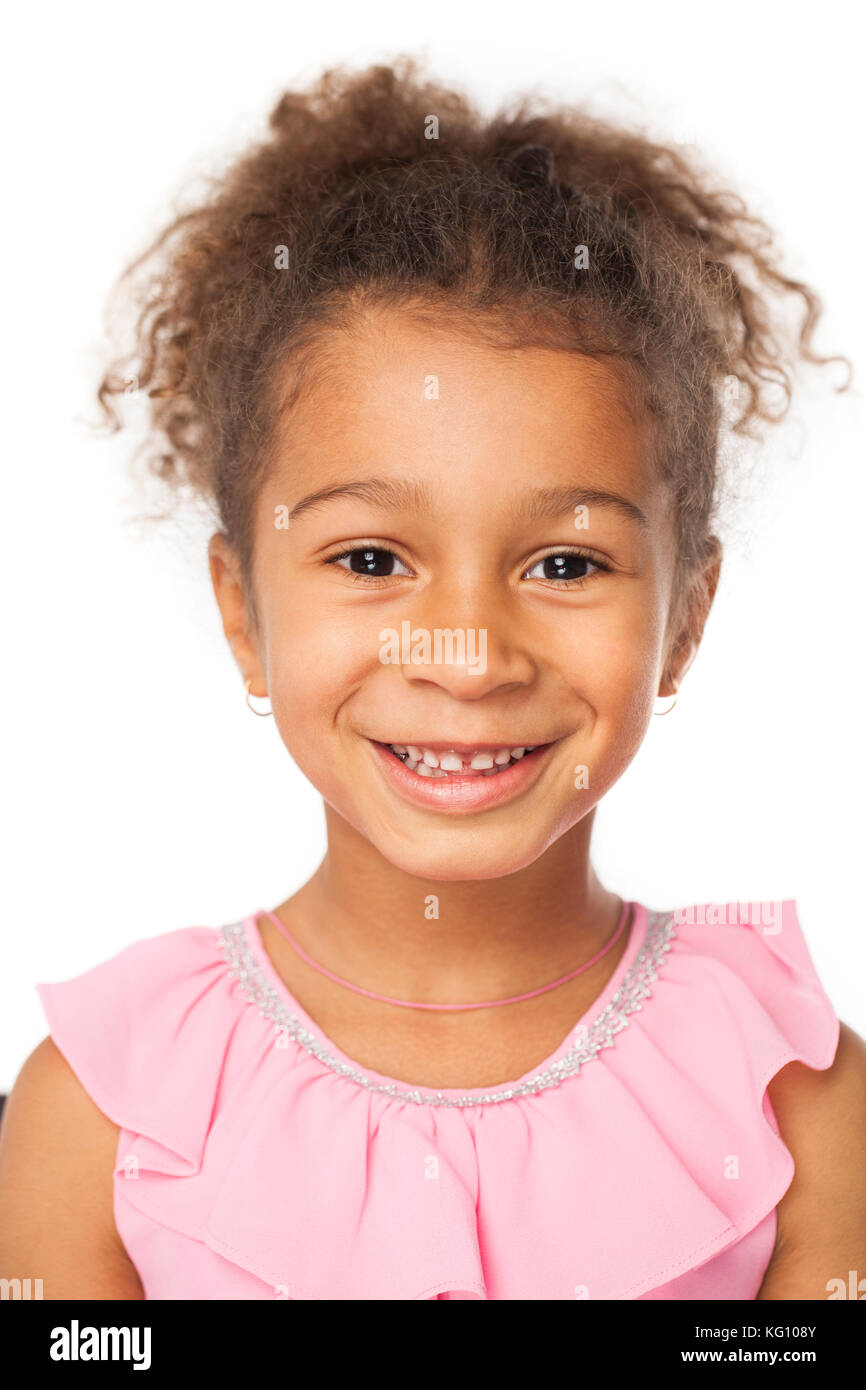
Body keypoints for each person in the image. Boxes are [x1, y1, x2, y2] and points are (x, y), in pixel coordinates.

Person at [1, 56, 864, 1300]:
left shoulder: (791, 1093)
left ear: (685, 620)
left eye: (565, 562)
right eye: (369, 558)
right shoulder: (103, 1106)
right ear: (242, 611)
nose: (465, 653)